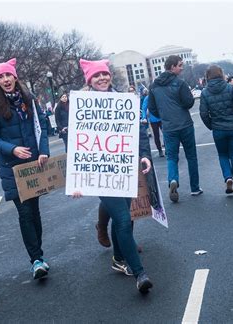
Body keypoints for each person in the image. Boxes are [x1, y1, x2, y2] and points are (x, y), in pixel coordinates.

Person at [75, 58, 153, 293]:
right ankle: (139, 273)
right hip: (100, 172)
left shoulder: (124, 101)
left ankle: (119, 259)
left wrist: (144, 155)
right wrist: (77, 179)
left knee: (127, 219)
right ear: (89, 80)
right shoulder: (82, 106)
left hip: (124, 168)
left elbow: (139, 130)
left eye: (104, 74)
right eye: (96, 76)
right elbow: (77, 144)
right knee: (121, 219)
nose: (102, 78)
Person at [0, 58, 51, 280]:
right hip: (12, 168)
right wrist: (12, 149)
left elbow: (41, 125)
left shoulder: (29, 100)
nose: (5, 80)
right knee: (24, 214)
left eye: (8, 75)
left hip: (34, 165)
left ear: (15, 77)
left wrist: (43, 151)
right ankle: (36, 260)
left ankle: (38, 254)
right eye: (1, 77)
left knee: (35, 212)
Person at [148, 54, 202, 203]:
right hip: (184, 124)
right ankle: (195, 187)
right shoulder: (180, 83)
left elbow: (152, 108)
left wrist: (164, 115)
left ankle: (173, 180)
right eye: (180, 65)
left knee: (172, 157)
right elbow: (188, 102)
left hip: (168, 126)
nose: (182, 68)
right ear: (172, 67)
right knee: (191, 156)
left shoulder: (154, 86)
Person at [200, 66, 233, 195]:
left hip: (218, 128)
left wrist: (212, 125)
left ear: (208, 76)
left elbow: (203, 113)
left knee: (223, 155)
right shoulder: (230, 88)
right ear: (221, 74)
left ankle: (228, 177)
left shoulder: (205, 92)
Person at [141, 91, 165, 157]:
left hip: (162, 118)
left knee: (166, 133)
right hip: (153, 120)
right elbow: (144, 108)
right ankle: (160, 150)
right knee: (156, 135)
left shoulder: (160, 95)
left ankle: (167, 149)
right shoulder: (147, 98)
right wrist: (144, 117)